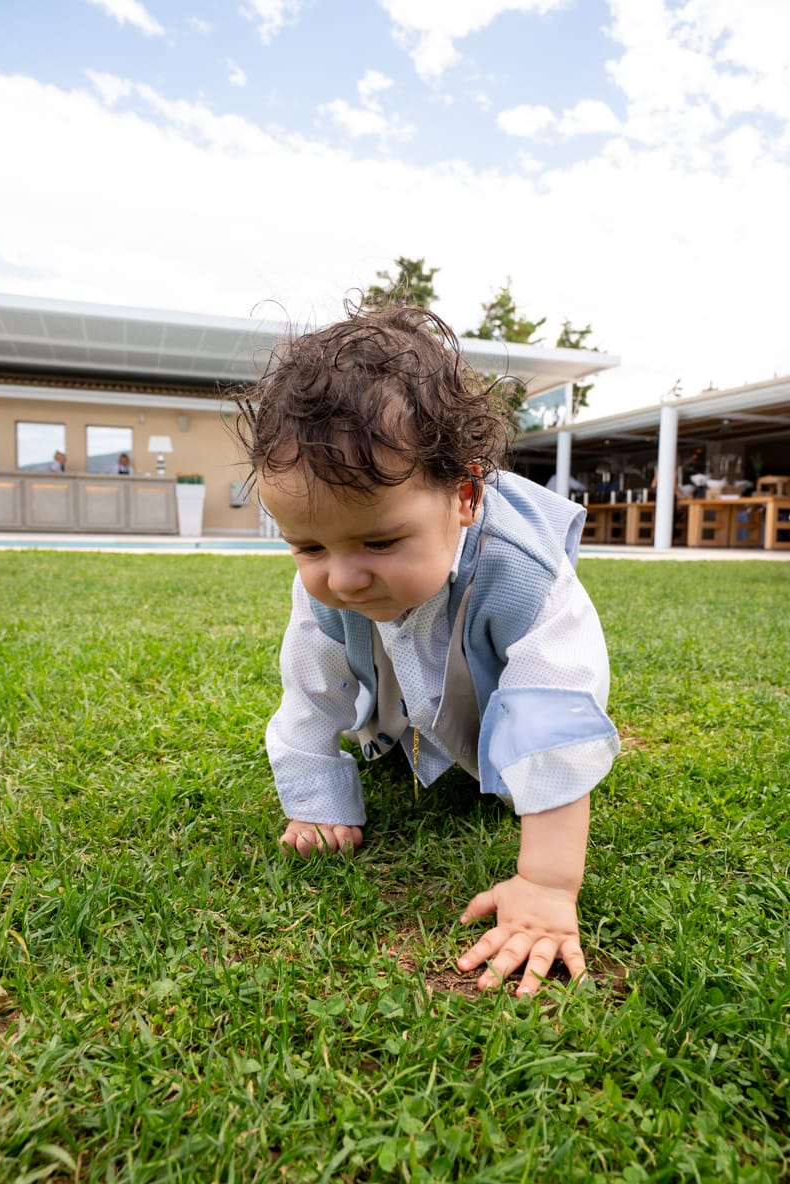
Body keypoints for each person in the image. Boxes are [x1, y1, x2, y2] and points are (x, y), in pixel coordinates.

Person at [235, 305, 619, 997]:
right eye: (309, 547)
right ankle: (407, 738)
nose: (343, 576)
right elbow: (310, 690)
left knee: (514, 718)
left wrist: (545, 883)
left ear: (466, 495)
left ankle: (476, 758)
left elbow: (553, 712)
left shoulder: (525, 576)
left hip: (502, 691)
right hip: (404, 699)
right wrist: (318, 798)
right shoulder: (329, 587)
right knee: (376, 658)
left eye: (379, 542)